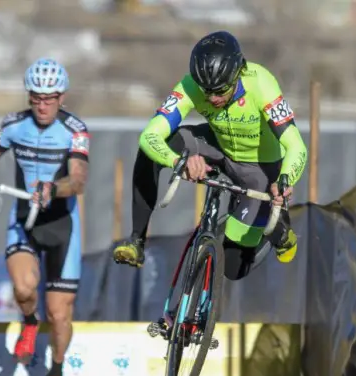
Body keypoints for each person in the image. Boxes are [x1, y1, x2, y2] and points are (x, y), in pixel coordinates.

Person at [112, 31, 307, 280]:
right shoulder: (190, 85)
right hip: (218, 146)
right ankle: (137, 240)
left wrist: (285, 179)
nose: (213, 98)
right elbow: (150, 135)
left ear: (237, 74)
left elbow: (296, 146)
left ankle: (279, 231)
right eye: (206, 91)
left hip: (260, 168)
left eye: (220, 91)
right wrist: (177, 161)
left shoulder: (261, 83)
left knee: (232, 269)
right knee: (149, 154)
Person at [0, 58, 89, 376]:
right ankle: (30, 323)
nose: (42, 105)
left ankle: (56, 372)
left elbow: (77, 181)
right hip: (24, 220)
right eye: (36, 98)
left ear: (61, 97)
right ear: (29, 96)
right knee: (23, 289)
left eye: (50, 98)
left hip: (62, 225)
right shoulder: (14, 125)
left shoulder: (75, 130)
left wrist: (52, 189)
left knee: (60, 314)